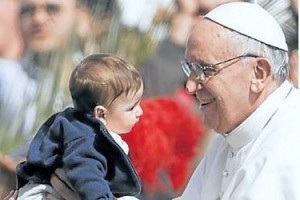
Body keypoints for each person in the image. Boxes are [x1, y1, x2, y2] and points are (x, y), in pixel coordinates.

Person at [174, 2, 300, 199]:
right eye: (190, 69)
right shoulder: (231, 133)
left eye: (204, 69)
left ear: (259, 73)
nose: (190, 86)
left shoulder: (291, 146)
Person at [16, 53, 143, 200]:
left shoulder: (75, 124)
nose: (140, 112)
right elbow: (86, 174)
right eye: (131, 108)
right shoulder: (88, 138)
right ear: (101, 114)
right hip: (44, 194)